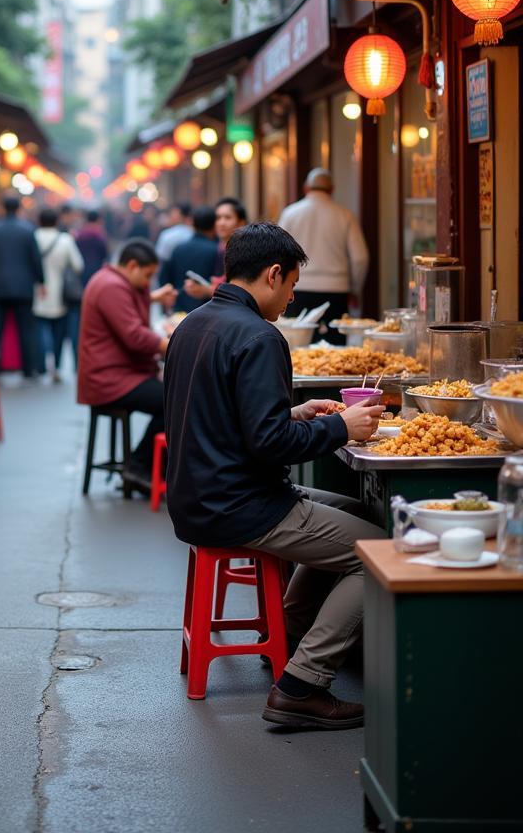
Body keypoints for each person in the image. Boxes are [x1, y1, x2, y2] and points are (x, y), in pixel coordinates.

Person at [164, 223, 385, 730]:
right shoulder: (261, 336)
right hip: (240, 504)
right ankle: (301, 685)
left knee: (351, 511)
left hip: (198, 496)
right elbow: (269, 446)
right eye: (290, 287)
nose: (290, 298)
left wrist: (298, 412)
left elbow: (224, 420)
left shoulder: (193, 324)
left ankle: (287, 633)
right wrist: (340, 427)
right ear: (273, 274)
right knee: (377, 553)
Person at [77, 239, 176, 489]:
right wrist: (171, 344)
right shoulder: (111, 286)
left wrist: (152, 297)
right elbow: (134, 335)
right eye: (148, 276)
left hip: (118, 374)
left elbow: (130, 307)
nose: (148, 282)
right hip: (110, 379)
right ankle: (140, 466)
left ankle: (147, 466)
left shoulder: (111, 280)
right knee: (174, 400)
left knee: (172, 395)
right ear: (132, 265)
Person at [277, 168, 369, 342]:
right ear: (332, 189)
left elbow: (278, 252)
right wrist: (355, 288)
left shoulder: (290, 213)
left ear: (306, 188)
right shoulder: (345, 215)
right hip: (336, 289)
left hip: (297, 288)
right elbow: (360, 257)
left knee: (299, 343)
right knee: (334, 344)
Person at [0, 196, 45, 380]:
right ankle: (29, 369)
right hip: (24, 287)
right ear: (19, 208)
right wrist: (41, 281)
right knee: (27, 329)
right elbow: (36, 259)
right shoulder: (28, 229)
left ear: (2, 208)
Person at [33, 207, 83, 382]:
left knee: (39, 329)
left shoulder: (33, 237)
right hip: (60, 293)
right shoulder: (65, 240)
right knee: (59, 333)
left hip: (37, 292)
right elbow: (78, 265)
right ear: (56, 221)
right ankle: (57, 367)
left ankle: (40, 366)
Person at [183, 196, 247, 305]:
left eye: (227, 217)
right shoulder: (219, 248)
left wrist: (208, 290)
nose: (221, 223)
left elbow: (243, 292)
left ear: (241, 222)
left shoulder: (245, 251)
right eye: (218, 218)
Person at [162, 206, 219, 310]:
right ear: (214, 225)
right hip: (207, 308)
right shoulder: (216, 250)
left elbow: (166, 277)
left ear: (192, 224)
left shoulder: (178, 249)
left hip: (179, 307)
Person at [75, 209, 109, 286]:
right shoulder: (100, 234)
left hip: (82, 268)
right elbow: (104, 253)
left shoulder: (80, 234)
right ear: (98, 220)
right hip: (96, 268)